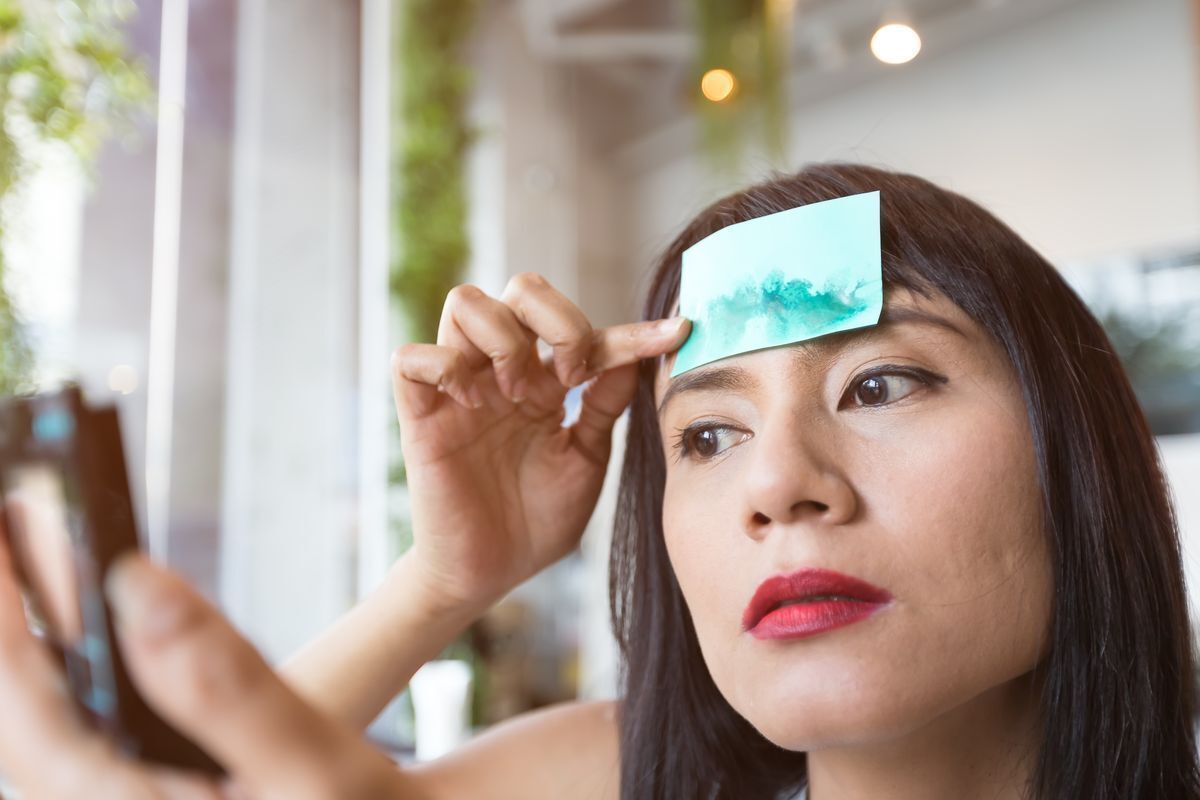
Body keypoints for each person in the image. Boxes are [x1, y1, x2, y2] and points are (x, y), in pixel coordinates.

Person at [0, 162, 1196, 799]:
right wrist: (446, 575)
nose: (779, 483)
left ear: (1075, 448)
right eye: (708, 436)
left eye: (878, 384)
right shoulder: (628, 777)